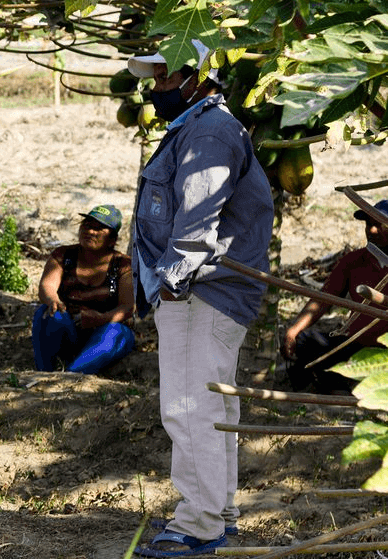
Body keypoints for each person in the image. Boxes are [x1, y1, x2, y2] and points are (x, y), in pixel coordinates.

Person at [128, 38, 274, 559]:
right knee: (212, 408)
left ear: (201, 78)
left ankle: (198, 526)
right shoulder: (199, 128)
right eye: (156, 76)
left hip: (201, 289)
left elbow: (197, 220)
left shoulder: (210, 131)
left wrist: (171, 281)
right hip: (207, 290)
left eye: (168, 76)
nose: (157, 86)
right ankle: (221, 515)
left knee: (189, 407)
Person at [282, 200, 388, 394]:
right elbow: (322, 300)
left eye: (379, 225)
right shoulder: (353, 261)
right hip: (356, 346)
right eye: (368, 224)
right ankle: (335, 388)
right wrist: (294, 330)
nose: (371, 231)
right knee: (305, 341)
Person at [31, 204, 136, 374]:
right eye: (87, 226)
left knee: (117, 332)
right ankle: (45, 373)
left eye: (99, 229)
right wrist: (53, 300)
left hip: (104, 331)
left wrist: (100, 318)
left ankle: (72, 376)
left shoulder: (123, 265)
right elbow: (47, 285)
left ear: (112, 239)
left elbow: (127, 307)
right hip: (68, 328)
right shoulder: (63, 255)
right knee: (47, 313)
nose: (90, 232)